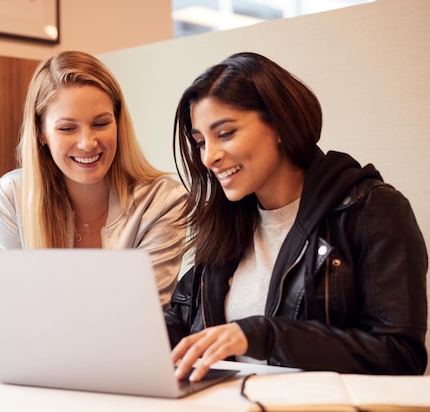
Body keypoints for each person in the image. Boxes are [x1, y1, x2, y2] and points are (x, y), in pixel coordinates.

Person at [166, 52, 428, 381]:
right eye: (201, 142)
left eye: (226, 133)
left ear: (278, 124)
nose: (210, 157)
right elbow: (180, 321)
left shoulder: (371, 209)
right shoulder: (227, 224)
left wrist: (267, 335)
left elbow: (401, 355)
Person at [0, 51, 187, 309]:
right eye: (67, 128)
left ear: (118, 123)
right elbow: (4, 306)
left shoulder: (164, 201)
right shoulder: (14, 193)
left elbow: (140, 315)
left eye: (101, 123)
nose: (87, 143)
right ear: (41, 133)